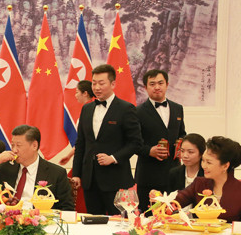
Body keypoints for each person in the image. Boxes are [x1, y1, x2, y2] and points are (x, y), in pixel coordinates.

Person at [72, 64, 142, 215]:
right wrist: (76, 173)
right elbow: (81, 143)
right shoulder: (87, 109)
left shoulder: (126, 108)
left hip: (115, 180)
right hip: (90, 180)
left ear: (113, 84)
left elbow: (135, 143)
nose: (97, 87)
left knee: (118, 222)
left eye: (101, 83)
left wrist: (113, 158)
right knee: (92, 221)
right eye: (94, 83)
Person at [0, 125, 74, 210]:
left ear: (34, 146)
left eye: (18, 145)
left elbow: (67, 208)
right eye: (12, 145)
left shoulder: (56, 173)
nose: (14, 150)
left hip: (40, 222)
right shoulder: (5, 167)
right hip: (6, 220)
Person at [135, 69, 186, 211]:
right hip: (148, 175)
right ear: (145, 87)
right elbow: (133, 142)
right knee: (148, 216)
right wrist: (149, 151)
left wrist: (182, 146)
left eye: (160, 83)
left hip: (174, 173)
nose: (157, 87)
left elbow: (182, 133)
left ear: (167, 85)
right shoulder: (137, 111)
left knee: (174, 215)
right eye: (152, 84)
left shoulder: (178, 108)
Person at [176, 136, 241, 222]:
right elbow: (177, 200)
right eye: (203, 160)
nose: (203, 166)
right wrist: (161, 201)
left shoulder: (238, 189)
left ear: (225, 166)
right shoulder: (199, 183)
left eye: (209, 162)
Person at [59, 80, 94, 166]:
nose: (75, 95)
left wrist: (69, 155)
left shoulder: (91, 110)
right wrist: (69, 155)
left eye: (77, 92)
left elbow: (85, 140)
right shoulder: (86, 109)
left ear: (85, 93)